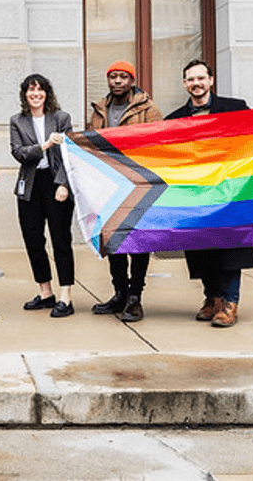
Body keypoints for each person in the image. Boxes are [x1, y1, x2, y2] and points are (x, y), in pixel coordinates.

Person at [164, 59, 253, 328]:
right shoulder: (174, 120)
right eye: (190, 79)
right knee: (201, 249)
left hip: (231, 194)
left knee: (230, 250)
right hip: (197, 196)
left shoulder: (235, 108)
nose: (196, 83)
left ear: (211, 80)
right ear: (185, 84)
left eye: (200, 78)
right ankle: (212, 299)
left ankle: (230, 303)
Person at [88, 60, 162, 323]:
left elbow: (157, 143)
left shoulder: (149, 108)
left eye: (123, 77)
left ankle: (135, 298)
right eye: (113, 77)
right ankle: (119, 293)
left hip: (138, 184)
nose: (118, 81)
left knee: (138, 242)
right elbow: (90, 145)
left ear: (131, 81)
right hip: (109, 186)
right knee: (114, 240)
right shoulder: (99, 109)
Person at [9, 74, 76, 318]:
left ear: (47, 93)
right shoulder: (17, 121)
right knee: (33, 240)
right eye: (30, 90)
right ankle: (46, 292)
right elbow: (19, 153)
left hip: (55, 182)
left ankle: (65, 297)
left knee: (60, 240)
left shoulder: (61, 118)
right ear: (25, 94)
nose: (35, 94)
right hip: (29, 185)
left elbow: (70, 155)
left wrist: (63, 185)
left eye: (40, 90)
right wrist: (45, 146)